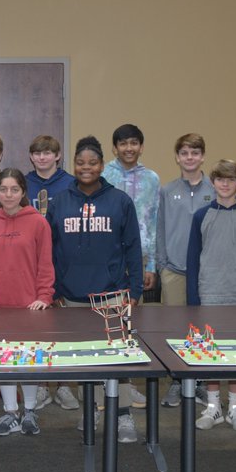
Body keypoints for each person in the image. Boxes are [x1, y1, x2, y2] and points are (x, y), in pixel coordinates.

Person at [48, 136, 144, 443]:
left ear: (102, 165)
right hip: (71, 295)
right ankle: (90, 410)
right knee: (82, 358)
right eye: (80, 163)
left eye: (92, 163)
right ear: (73, 165)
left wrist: (135, 288)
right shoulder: (60, 201)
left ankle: (124, 415)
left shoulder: (120, 201)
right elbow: (50, 249)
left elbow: (133, 247)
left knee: (119, 358)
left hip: (112, 294)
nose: (86, 168)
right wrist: (53, 288)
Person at [0, 168, 54, 437]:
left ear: (23, 192)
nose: (8, 195)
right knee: (4, 360)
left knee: (28, 360)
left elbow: (45, 264)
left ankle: (29, 410)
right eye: (4, 189)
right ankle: (10, 412)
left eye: (14, 190)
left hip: (29, 305)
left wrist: (44, 296)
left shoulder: (38, 223)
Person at [186, 160, 236, 432]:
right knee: (210, 355)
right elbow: (193, 259)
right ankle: (212, 407)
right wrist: (193, 301)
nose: (225, 184)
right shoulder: (201, 215)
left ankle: (234, 408)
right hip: (209, 294)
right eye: (220, 179)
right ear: (213, 182)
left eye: (231, 180)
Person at [103, 122, 161, 410]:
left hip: (140, 260)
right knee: (108, 324)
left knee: (132, 324)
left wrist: (151, 264)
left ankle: (129, 384)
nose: (129, 148)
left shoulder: (152, 179)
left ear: (141, 146)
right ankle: (108, 383)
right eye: (123, 143)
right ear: (115, 147)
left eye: (134, 143)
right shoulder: (104, 175)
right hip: (110, 259)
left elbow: (153, 222)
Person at [157, 133, 214, 408]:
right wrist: (161, 263)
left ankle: (199, 381)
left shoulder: (215, 189)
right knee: (176, 329)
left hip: (207, 272)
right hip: (175, 270)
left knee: (203, 328)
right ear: (177, 157)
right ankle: (177, 381)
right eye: (184, 153)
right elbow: (161, 228)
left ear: (202, 156)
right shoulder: (168, 190)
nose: (189, 157)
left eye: (195, 152)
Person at [24, 134, 77, 410]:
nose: (42, 157)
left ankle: (65, 384)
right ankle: (42, 383)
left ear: (57, 156)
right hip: (31, 264)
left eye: (48, 153)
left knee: (64, 327)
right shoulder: (24, 184)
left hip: (64, 261)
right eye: (37, 153)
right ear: (31, 157)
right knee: (39, 326)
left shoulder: (71, 184)